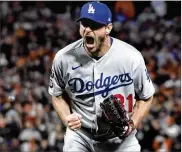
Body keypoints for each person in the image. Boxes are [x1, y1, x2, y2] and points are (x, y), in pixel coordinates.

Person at [48, 1, 155, 152]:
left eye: (95, 25)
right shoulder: (63, 58)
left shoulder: (131, 57)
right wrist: (66, 116)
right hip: (80, 137)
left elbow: (146, 96)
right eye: (84, 24)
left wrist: (132, 124)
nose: (88, 30)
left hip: (121, 140)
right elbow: (57, 95)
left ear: (108, 28)